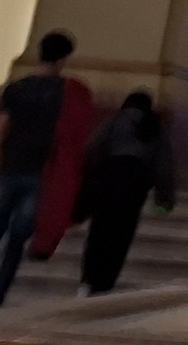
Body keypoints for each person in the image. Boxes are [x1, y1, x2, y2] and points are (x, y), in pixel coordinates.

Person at [0, 30, 78, 309]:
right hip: (40, 172)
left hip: (10, 168)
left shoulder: (16, 89)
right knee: (17, 239)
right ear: (63, 59)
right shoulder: (65, 94)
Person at [75, 93, 176, 296]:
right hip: (135, 187)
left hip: (108, 182)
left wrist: (87, 179)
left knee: (98, 232)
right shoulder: (155, 128)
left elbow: (93, 149)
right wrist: (164, 200)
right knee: (121, 235)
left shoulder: (113, 122)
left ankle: (88, 279)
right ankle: (106, 282)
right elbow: (164, 167)